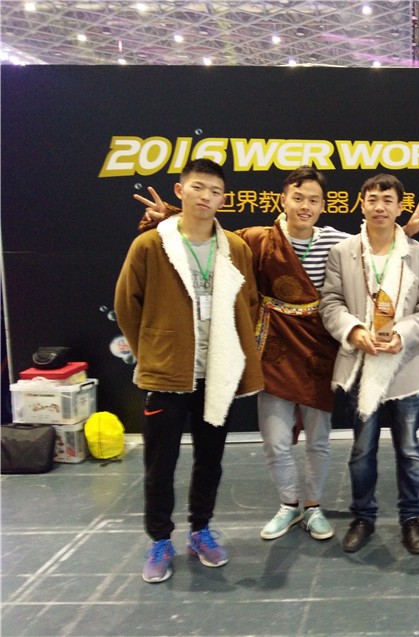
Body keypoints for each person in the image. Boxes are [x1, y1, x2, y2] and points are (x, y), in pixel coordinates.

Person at [135, 167, 419, 544]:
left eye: (313, 200)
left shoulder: (337, 242)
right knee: (275, 440)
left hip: (318, 350)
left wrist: (406, 231)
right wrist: (170, 216)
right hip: (274, 349)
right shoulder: (257, 239)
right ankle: (288, 504)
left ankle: (314, 506)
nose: (305, 206)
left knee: (319, 440)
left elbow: (377, 246)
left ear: (324, 206)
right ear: (283, 200)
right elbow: (214, 236)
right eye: (298, 197)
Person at [115, 158, 264, 583]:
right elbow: (127, 304)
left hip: (216, 373)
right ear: (180, 191)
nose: (206, 197)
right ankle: (160, 540)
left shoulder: (235, 247)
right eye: (198, 187)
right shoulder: (151, 244)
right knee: (159, 465)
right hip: (167, 375)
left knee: (210, 460)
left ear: (223, 199)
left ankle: (201, 530)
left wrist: (233, 348)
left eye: (215, 191)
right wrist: (153, 351)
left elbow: (250, 302)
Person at [319, 174, 419, 555]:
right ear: (362, 204)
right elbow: (330, 303)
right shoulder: (343, 252)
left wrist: (403, 334)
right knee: (362, 450)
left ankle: (411, 518)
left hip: (404, 365)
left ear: (399, 208)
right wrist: (354, 331)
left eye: (388, 200)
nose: (379, 207)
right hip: (361, 363)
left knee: (410, 450)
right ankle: (363, 517)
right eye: (372, 199)